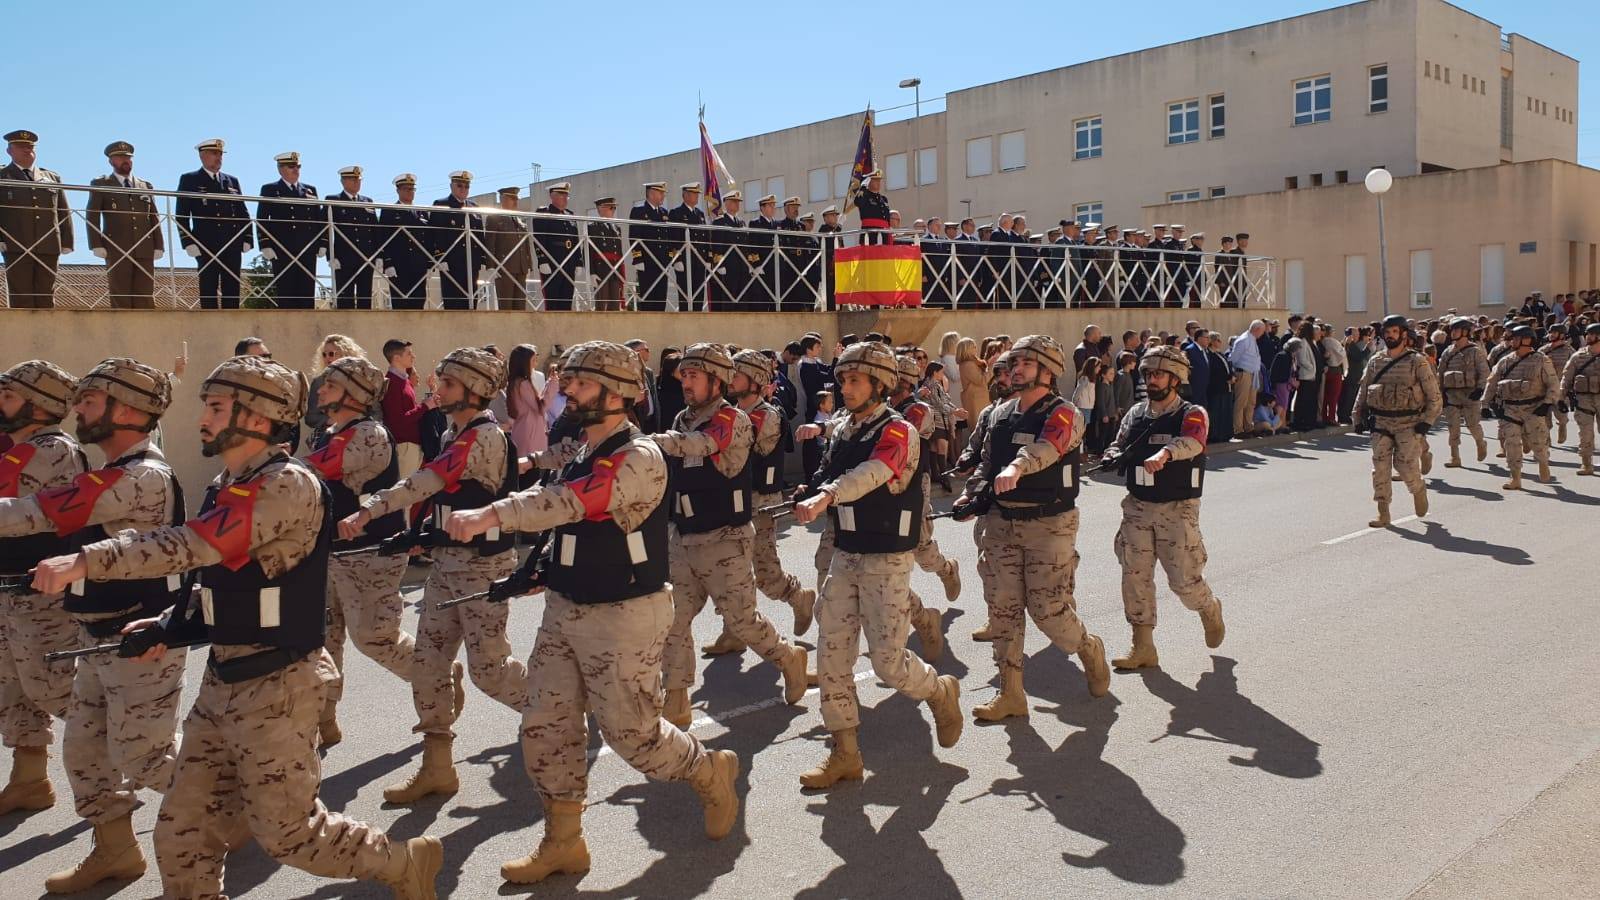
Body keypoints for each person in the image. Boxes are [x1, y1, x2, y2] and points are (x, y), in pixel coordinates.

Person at [31, 355, 441, 899]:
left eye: (217, 407)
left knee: (291, 835)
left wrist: (89, 560)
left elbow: (197, 544)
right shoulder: (230, 481)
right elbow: (224, 579)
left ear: (258, 417)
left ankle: (401, 861)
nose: (202, 417)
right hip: (223, 680)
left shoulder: (287, 484)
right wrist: (171, 626)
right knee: (182, 833)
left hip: (278, 686)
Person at [440, 341, 739, 884]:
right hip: (567, 608)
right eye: (568, 381)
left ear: (618, 393)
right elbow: (571, 526)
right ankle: (564, 841)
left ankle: (708, 769)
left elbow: (574, 501)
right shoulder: (584, 449)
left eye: (579, 383)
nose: (568, 391)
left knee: (633, 737)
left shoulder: (638, 456)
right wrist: (540, 570)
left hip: (625, 613)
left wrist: (493, 513)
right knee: (546, 726)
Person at [0, 360, 181, 891]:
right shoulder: (112, 473)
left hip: (141, 636)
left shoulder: (141, 477)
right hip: (98, 632)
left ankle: (243, 800)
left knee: (145, 757)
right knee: (84, 751)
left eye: (90, 401)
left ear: (125, 410)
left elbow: (36, 511)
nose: (77, 409)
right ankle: (117, 850)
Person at [342, 348, 525, 804]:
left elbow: (425, 481)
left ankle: (557, 716)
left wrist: (370, 509)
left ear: (474, 389)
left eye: (446, 384)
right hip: (448, 566)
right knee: (427, 664)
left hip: (482, 569)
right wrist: (423, 533)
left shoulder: (479, 437)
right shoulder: (453, 431)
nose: (435, 390)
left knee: (490, 671)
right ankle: (437, 767)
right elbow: (453, 497)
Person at [791, 341, 962, 788]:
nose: (844, 388)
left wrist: (827, 495)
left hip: (887, 556)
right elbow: (829, 471)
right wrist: (810, 489)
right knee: (832, 653)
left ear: (880, 385)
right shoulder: (845, 426)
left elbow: (874, 473)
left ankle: (939, 690)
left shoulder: (898, 431)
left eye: (854, 380)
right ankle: (844, 751)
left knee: (887, 663)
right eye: (843, 379)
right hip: (847, 553)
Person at [648, 344, 807, 728]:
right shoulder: (684, 418)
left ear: (716, 381)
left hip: (725, 537)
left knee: (743, 621)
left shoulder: (731, 420)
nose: (685, 383)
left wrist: (648, 442)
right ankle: (677, 697)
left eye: (693, 376)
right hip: (684, 534)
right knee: (672, 620)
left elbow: (705, 446)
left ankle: (788, 657)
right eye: (683, 376)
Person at [954, 334, 1109, 719]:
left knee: (1048, 611)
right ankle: (1011, 693)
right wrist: (971, 496)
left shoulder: (1064, 413)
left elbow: (1047, 447)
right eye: (1014, 363)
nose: (1015, 369)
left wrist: (1018, 466)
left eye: (1025, 364)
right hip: (1001, 524)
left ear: (1047, 371)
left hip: (1048, 525)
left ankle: (1088, 647)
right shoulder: (1001, 414)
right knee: (1003, 610)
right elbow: (988, 464)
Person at [301, 356, 417, 749]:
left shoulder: (369, 434)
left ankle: (436, 676)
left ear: (352, 392)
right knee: (323, 638)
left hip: (368, 552)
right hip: (330, 552)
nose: (320, 391)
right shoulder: (329, 432)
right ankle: (323, 720)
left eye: (330, 385)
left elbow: (316, 471)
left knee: (373, 637)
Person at [1101, 346, 1226, 670]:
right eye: (1148, 374)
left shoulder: (1192, 413)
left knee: (1183, 580)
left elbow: (1195, 441)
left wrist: (1166, 453)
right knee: (1134, 575)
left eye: (1158, 374)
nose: (1152, 380)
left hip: (1177, 507)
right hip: (1138, 506)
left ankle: (1209, 608)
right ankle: (1143, 646)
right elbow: (1120, 441)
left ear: (1176, 378)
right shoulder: (1136, 414)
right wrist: (1112, 454)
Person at [0, 360, 84, 818]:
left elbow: (14, 504)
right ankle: (28, 779)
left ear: (40, 405)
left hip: (40, 595)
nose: (1, 404)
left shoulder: (51, 449)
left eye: (9, 397)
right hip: (10, 590)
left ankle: (140, 767)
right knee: (12, 688)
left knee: (56, 689)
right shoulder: (17, 446)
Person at [701, 350, 817, 655]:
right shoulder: (729, 412)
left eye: (737, 375)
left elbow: (733, 448)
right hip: (732, 501)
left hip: (759, 502)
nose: (731, 381)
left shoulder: (767, 415)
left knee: (764, 573)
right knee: (730, 568)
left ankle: (798, 596)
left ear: (757, 381)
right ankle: (733, 631)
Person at [1351, 315, 1443, 525]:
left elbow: (1434, 396)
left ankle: (1418, 488)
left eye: (1394, 332)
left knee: (1404, 466)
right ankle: (1383, 512)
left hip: (1408, 423)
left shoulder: (1416, 361)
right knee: (1380, 469)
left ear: (1403, 334)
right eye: (1387, 332)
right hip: (1381, 423)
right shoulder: (1376, 361)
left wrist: (1427, 422)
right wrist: (1357, 417)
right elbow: (1363, 391)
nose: (1390, 335)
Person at [174, 138, 251, 309]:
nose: (219, 158)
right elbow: (181, 215)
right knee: (208, 286)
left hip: (232, 242)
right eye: (214, 154)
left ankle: (232, 324)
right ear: (203, 156)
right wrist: (187, 241)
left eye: (221, 154)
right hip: (205, 243)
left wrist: (248, 237)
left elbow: (243, 213)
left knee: (232, 286)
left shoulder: (232, 181)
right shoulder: (190, 179)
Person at [86, 141, 164, 309]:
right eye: (120, 157)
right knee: (120, 293)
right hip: (117, 247)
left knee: (145, 294)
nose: (125, 161)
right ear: (111, 161)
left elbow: (154, 217)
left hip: (144, 247)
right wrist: (96, 244)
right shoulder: (102, 184)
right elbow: (92, 215)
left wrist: (159, 245)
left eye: (128, 157)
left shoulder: (145, 185)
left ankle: (145, 330)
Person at [0, 130, 73, 308]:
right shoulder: (3, 176)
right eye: (21, 147)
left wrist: (67, 241)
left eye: (31, 147)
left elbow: (64, 210)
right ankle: (24, 334)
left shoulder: (51, 177)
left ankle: (46, 334)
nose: (27, 150)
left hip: (48, 244)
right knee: (21, 295)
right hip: (16, 244)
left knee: (46, 295)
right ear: (9, 151)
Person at [1482, 324, 1560, 490]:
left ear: (1527, 340)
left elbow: (1553, 383)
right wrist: (1485, 404)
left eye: (1516, 338)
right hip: (1510, 409)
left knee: (1538, 442)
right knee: (1511, 444)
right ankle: (1515, 477)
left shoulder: (1541, 360)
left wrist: (1547, 403)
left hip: (1533, 407)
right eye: (1512, 338)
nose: (1513, 341)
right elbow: (1492, 382)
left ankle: (1543, 464)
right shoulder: (1505, 361)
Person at [256, 151, 324, 309]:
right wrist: (265, 244)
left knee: (307, 294)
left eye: (298, 166)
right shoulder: (270, 189)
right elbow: (262, 219)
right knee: (286, 293)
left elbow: (319, 220)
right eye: (291, 166)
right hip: (282, 249)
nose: (296, 169)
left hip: (307, 248)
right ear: (280, 169)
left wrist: (322, 244)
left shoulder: (310, 190)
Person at [430, 170, 489, 310]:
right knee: (453, 301)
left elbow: (479, 234)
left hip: (471, 262)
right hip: (451, 262)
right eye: (460, 186)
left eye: (467, 186)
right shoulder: (441, 205)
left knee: (471, 300)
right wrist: (440, 257)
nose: (464, 189)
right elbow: (435, 233)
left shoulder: (474, 207)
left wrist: (482, 258)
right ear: (451, 186)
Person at [1437, 317, 1491, 467]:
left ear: (1466, 332)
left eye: (1456, 330)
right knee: (1452, 427)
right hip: (1452, 394)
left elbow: (1484, 372)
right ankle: (1455, 457)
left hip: (1470, 394)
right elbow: (1440, 374)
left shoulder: (1475, 351)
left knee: (1472, 424)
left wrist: (1480, 389)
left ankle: (1481, 443)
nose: (1453, 333)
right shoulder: (1448, 352)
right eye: (1452, 330)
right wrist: (1441, 393)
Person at [327, 165, 381, 309]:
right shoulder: (333, 200)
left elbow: (375, 231)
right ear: (343, 181)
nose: (357, 182)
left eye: (358, 179)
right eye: (353, 179)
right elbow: (326, 229)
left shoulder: (367, 201)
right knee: (345, 299)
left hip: (366, 257)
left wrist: (379, 255)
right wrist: (330, 255)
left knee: (365, 299)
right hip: (343, 258)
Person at [377, 173, 431, 309]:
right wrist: (387, 263)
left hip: (418, 265)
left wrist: (429, 262)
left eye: (412, 189)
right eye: (406, 189)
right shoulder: (389, 212)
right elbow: (383, 237)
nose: (410, 192)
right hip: (398, 265)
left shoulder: (422, 213)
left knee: (419, 302)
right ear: (398, 190)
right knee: (401, 303)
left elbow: (428, 238)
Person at [380, 339, 434, 476]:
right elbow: (398, 421)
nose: (413, 356)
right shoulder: (392, 383)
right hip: (404, 446)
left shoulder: (404, 381)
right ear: (397, 358)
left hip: (412, 445)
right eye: (409, 353)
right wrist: (425, 406)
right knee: (404, 493)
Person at [530, 183, 578, 311]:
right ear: (552, 196)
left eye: (566, 196)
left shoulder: (570, 214)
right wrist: (542, 260)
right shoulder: (543, 213)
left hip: (569, 262)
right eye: (562, 195)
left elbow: (576, 240)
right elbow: (539, 239)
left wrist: (579, 261)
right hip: (552, 261)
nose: (565, 198)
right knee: (553, 300)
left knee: (567, 299)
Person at [1561, 321, 1600, 475]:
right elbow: (1566, 377)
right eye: (1588, 334)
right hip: (1584, 400)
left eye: (1592, 334)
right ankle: (1586, 464)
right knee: (1585, 433)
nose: (1588, 337)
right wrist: (1560, 397)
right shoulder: (1578, 356)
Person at [487, 187, 533, 310]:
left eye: (516, 199)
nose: (516, 202)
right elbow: (490, 242)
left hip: (521, 267)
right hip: (504, 268)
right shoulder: (494, 218)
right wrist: (491, 266)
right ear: (502, 199)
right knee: (506, 307)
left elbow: (526, 244)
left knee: (520, 306)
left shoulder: (519, 219)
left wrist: (529, 264)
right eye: (512, 199)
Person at [628, 182, 672, 311]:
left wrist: (670, 258)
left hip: (662, 262)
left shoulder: (664, 213)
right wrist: (638, 258)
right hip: (647, 262)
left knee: (661, 298)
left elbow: (668, 238)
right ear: (651, 193)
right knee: (648, 298)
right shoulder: (639, 211)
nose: (663, 196)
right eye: (661, 193)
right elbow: (634, 236)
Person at [668, 183, 708, 312]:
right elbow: (673, 238)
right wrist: (677, 259)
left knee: (699, 293)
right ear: (685, 195)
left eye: (697, 194)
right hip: (685, 259)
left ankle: (698, 320)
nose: (697, 197)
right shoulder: (676, 213)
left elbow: (706, 238)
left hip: (699, 259)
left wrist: (707, 258)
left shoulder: (700, 214)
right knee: (685, 293)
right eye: (694, 194)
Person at [707, 191, 749, 309]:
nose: (737, 205)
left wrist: (749, 264)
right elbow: (716, 245)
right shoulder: (720, 222)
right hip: (728, 267)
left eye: (738, 202)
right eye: (734, 202)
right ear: (726, 203)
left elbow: (745, 246)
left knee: (742, 300)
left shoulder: (741, 222)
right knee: (728, 299)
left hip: (742, 267)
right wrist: (719, 264)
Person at [506, 344, 548, 457]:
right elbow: (540, 407)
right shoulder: (523, 384)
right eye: (534, 360)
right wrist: (553, 385)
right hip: (530, 434)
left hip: (522, 431)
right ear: (524, 362)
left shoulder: (514, 382)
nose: (536, 363)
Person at [1540, 325, 1576, 445]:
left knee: (1562, 416)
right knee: (1544, 417)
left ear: (1561, 335)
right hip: (1544, 389)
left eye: (1554, 333)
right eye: (1550, 332)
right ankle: (1546, 439)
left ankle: (1562, 426)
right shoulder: (1543, 350)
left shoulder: (1569, 351)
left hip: (1561, 389)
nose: (1551, 335)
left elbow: (1575, 369)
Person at [589, 196, 626, 311]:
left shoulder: (616, 228)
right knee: (602, 305)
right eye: (611, 208)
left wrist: (621, 272)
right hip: (601, 271)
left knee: (615, 305)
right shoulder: (593, 227)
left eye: (614, 208)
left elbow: (619, 252)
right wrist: (591, 272)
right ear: (601, 209)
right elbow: (588, 250)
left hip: (614, 271)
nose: (613, 210)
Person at [852, 169, 891, 245]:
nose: (878, 183)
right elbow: (858, 202)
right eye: (875, 180)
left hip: (884, 234)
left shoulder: (883, 199)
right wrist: (863, 187)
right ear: (868, 182)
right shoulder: (864, 196)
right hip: (870, 234)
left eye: (879, 180)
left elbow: (887, 217)